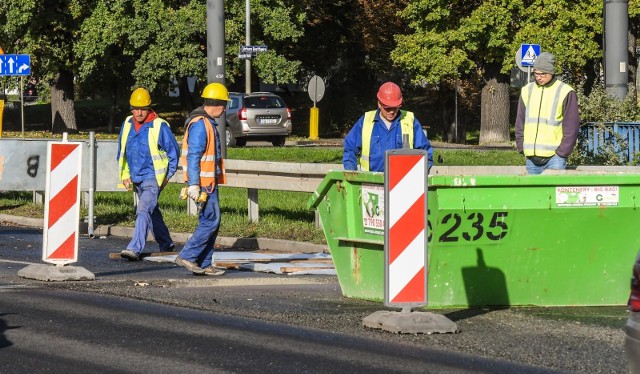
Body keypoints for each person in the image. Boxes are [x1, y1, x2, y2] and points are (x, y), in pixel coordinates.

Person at [117, 87, 180, 261]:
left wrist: (167, 177)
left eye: (142, 109)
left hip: (153, 178)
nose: (138, 112)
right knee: (152, 212)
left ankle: (134, 248)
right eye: (135, 108)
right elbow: (122, 151)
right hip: (136, 177)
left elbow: (174, 153)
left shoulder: (159, 126)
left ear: (149, 108)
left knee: (143, 209)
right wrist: (124, 175)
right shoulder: (127, 123)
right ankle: (166, 244)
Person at [174, 82, 229, 276]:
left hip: (208, 183)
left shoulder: (206, 123)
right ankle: (188, 256)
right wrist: (194, 184)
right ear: (216, 103)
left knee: (212, 222)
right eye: (224, 105)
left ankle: (204, 264)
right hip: (204, 185)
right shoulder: (200, 124)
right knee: (210, 221)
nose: (225, 110)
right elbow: (194, 156)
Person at [342, 81, 434, 172]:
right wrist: (351, 172)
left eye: (395, 107)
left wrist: (419, 175)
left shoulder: (410, 120)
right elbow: (350, 148)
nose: (392, 111)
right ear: (379, 104)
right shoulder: (366, 120)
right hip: (370, 182)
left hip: (401, 182)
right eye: (387, 108)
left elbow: (425, 153)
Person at [515, 52, 580, 174]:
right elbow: (520, 121)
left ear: (552, 72)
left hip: (555, 158)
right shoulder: (527, 90)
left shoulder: (565, 91)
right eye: (536, 73)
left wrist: (562, 152)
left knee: (553, 192)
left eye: (543, 74)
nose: (539, 77)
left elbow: (572, 125)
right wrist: (521, 146)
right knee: (534, 193)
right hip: (531, 157)